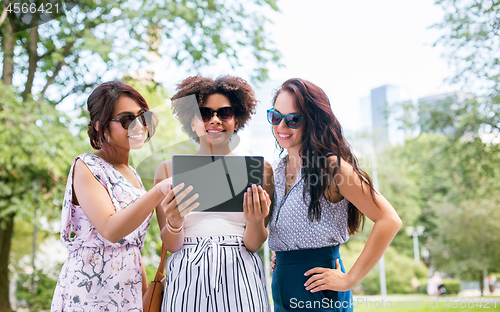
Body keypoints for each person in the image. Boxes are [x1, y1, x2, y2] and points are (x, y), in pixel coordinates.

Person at [267, 78, 402, 311]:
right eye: (276, 117)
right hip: (282, 288)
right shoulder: (278, 171)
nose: (281, 126)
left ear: (312, 122)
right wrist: (285, 252)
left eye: (293, 120)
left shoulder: (331, 167)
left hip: (320, 291)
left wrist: (350, 279)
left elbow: (389, 220)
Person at [51, 81, 174, 311]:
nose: (138, 125)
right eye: (127, 120)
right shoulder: (87, 166)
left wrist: (144, 296)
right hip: (89, 291)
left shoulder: (133, 176)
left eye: (142, 116)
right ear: (100, 126)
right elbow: (110, 229)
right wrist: (158, 191)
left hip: (127, 293)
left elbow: (132, 249)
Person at [154, 75, 273, 311]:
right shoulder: (167, 170)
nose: (215, 120)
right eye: (205, 113)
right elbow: (171, 244)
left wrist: (256, 221)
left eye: (224, 113)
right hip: (186, 271)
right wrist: (175, 221)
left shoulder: (260, 171)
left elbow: (253, 244)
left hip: (240, 273)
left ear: (237, 119)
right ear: (192, 121)